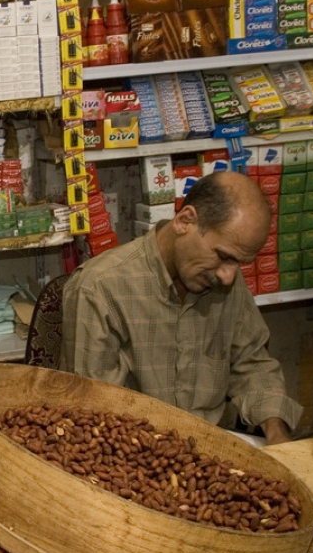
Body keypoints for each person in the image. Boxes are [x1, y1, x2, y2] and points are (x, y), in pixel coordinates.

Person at [57, 170, 300, 445]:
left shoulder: (223, 279)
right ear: (185, 221)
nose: (228, 276)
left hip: (213, 449)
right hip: (132, 457)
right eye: (223, 257)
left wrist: (276, 432)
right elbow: (93, 413)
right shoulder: (100, 288)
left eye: (238, 264)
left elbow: (252, 362)